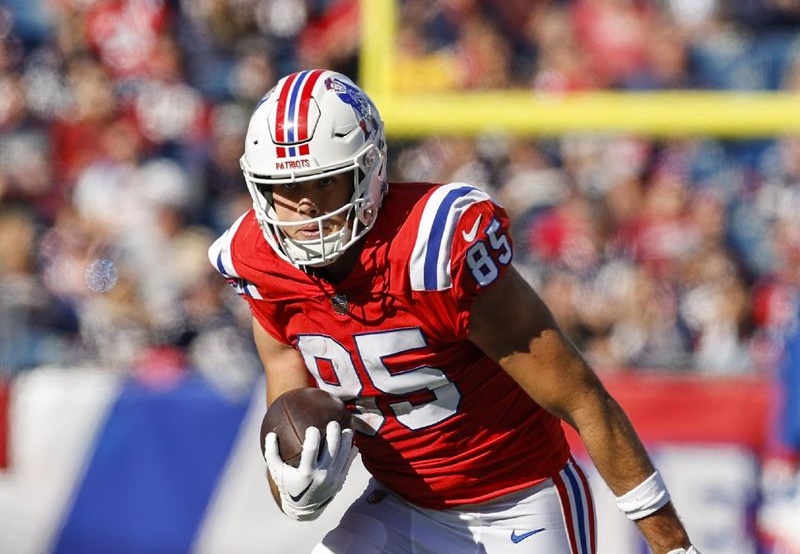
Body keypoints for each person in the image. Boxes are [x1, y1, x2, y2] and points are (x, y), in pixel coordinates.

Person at [209, 69, 699, 554]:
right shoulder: (256, 263)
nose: (306, 210)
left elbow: (581, 399)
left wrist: (671, 544)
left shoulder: (434, 249)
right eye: (286, 189)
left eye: (325, 183)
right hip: (400, 505)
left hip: (520, 503)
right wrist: (296, 488)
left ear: (368, 172)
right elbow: (289, 411)